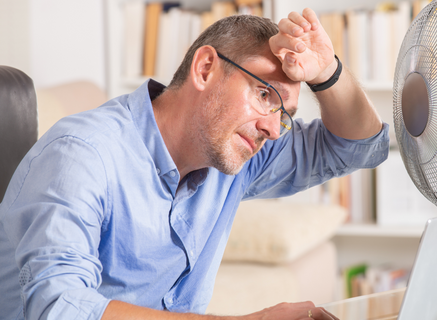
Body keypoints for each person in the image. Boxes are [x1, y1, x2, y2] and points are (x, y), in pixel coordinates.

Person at [0, 8, 388, 320]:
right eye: (264, 94)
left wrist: (328, 74)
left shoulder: (233, 153)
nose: (273, 128)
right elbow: (58, 308)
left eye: (284, 114)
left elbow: (359, 147)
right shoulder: (82, 154)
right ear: (205, 69)